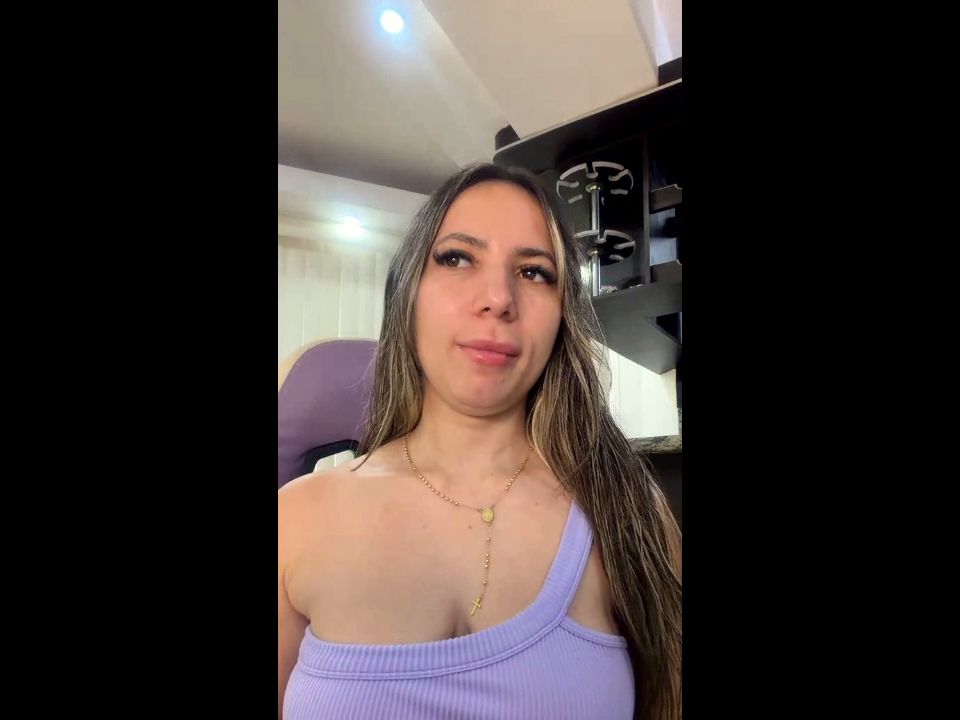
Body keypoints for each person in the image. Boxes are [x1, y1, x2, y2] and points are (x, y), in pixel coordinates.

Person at [278, 162, 681, 720]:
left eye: (534, 272)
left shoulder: (629, 510)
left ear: (563, 315)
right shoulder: (294, 519)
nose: (498, 298)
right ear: (409, 292)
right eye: (457, 258)